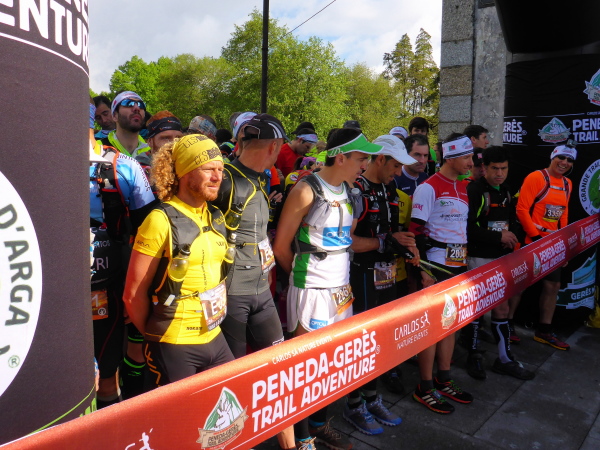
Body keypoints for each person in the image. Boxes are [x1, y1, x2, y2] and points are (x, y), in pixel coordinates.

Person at [273, 128, 383, 449]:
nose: (365, 164)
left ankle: (319, 424)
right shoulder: (306, 190)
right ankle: (302, 436)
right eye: (361, 158)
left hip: (341, 290)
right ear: (341, 157)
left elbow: (345, 241)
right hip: (312, 289)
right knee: (305, 366)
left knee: (330, 365)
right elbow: (281, 247)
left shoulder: (352, 192)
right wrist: (304, 279)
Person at [123, 134, 234, 388]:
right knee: (184, 414)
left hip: (215, 334)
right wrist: (157, 337)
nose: (217, 177)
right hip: (174, 341)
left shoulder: (215, 215)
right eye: (208, 169)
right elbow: (132, 295)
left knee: (231, 406)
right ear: (185, 172)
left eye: (220, 170)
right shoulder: (159, 220)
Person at [211, 114, 295, 450]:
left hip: (261, 290)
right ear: (274, 147)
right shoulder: (224, 179)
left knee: (279, 367)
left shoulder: (262, 178)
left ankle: (291, 444)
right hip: (232, 294)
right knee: (233, 380)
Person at [346, 133, 419, 434]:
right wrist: (384, 241)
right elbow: (348, 241)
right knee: (362, 340)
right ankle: (354, 405)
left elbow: (392, 232)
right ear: (380, 159)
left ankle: (372, 397)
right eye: (395, 165)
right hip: (362, 275)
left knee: (380, 339)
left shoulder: (389, 188)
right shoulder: (357, 190)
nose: (399, 172)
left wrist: (407, 246)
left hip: (388, 274)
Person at [90, 110, 156, 407]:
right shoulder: (40, 163)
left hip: (108, 285)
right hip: (53, 289)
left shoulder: (125, 165)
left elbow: (147, 233)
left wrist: (136, 291)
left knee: (107, 373)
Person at [409, 134, 475, 414]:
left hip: (458, 265)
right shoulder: (428, 188)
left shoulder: (463, 186)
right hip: (435, 266)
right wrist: (424, 270)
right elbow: (414, 233)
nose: (471, 162)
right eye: (467, 157)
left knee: (451, 324)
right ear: (451, 157)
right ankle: (424, 387)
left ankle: (443, 379)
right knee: (432, 328)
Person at [465, 146, 535, 380]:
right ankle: (473, 356)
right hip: (479, 257)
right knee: (476, 310)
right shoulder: (474, 190)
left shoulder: (506, 190)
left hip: (501, 258)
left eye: (504, 168)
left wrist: (511, 236)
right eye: (494, 168)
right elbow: (467, 228)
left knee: (502, 308)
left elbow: (511, 221)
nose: (499, 173)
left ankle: (504, 359)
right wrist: (498, 237)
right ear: (484, 168)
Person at [516, 144, 576, 350]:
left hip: (552, 243)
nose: (564, 163)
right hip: (531, 241)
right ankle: (506, 325)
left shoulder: (567, 183)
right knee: (519, 286)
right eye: (561, 157)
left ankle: (544, 330)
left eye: (569, 160)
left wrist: (563, 245)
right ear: (553, 157)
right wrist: (535, 237)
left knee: (553, 286)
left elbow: (563, 214)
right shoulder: (536, 178)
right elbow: (522, 209)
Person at [99, 91, 150, 161]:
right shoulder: (98, 148)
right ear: (114, 116)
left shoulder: (152, 152)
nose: (137, 108)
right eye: (128, 103)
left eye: (141, 105)